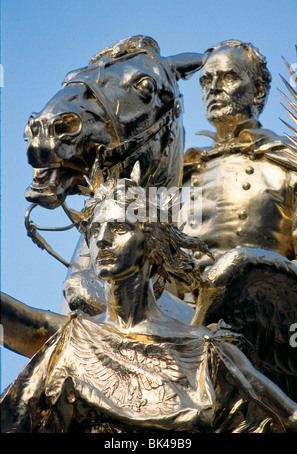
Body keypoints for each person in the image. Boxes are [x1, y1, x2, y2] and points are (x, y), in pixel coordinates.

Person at [1, 178, 297, 433]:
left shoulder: (210, 356)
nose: (101, 240)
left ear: (151, 242)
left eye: (118, 228)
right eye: (94, 231)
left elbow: (288, 420)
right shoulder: (70, 345)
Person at [182, 40, 297, 272]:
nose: (213, 87)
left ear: (259, 92)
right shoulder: (183, 173)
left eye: (228, 77)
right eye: (206, 80)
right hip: (185, 305)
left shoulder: (287, 162)